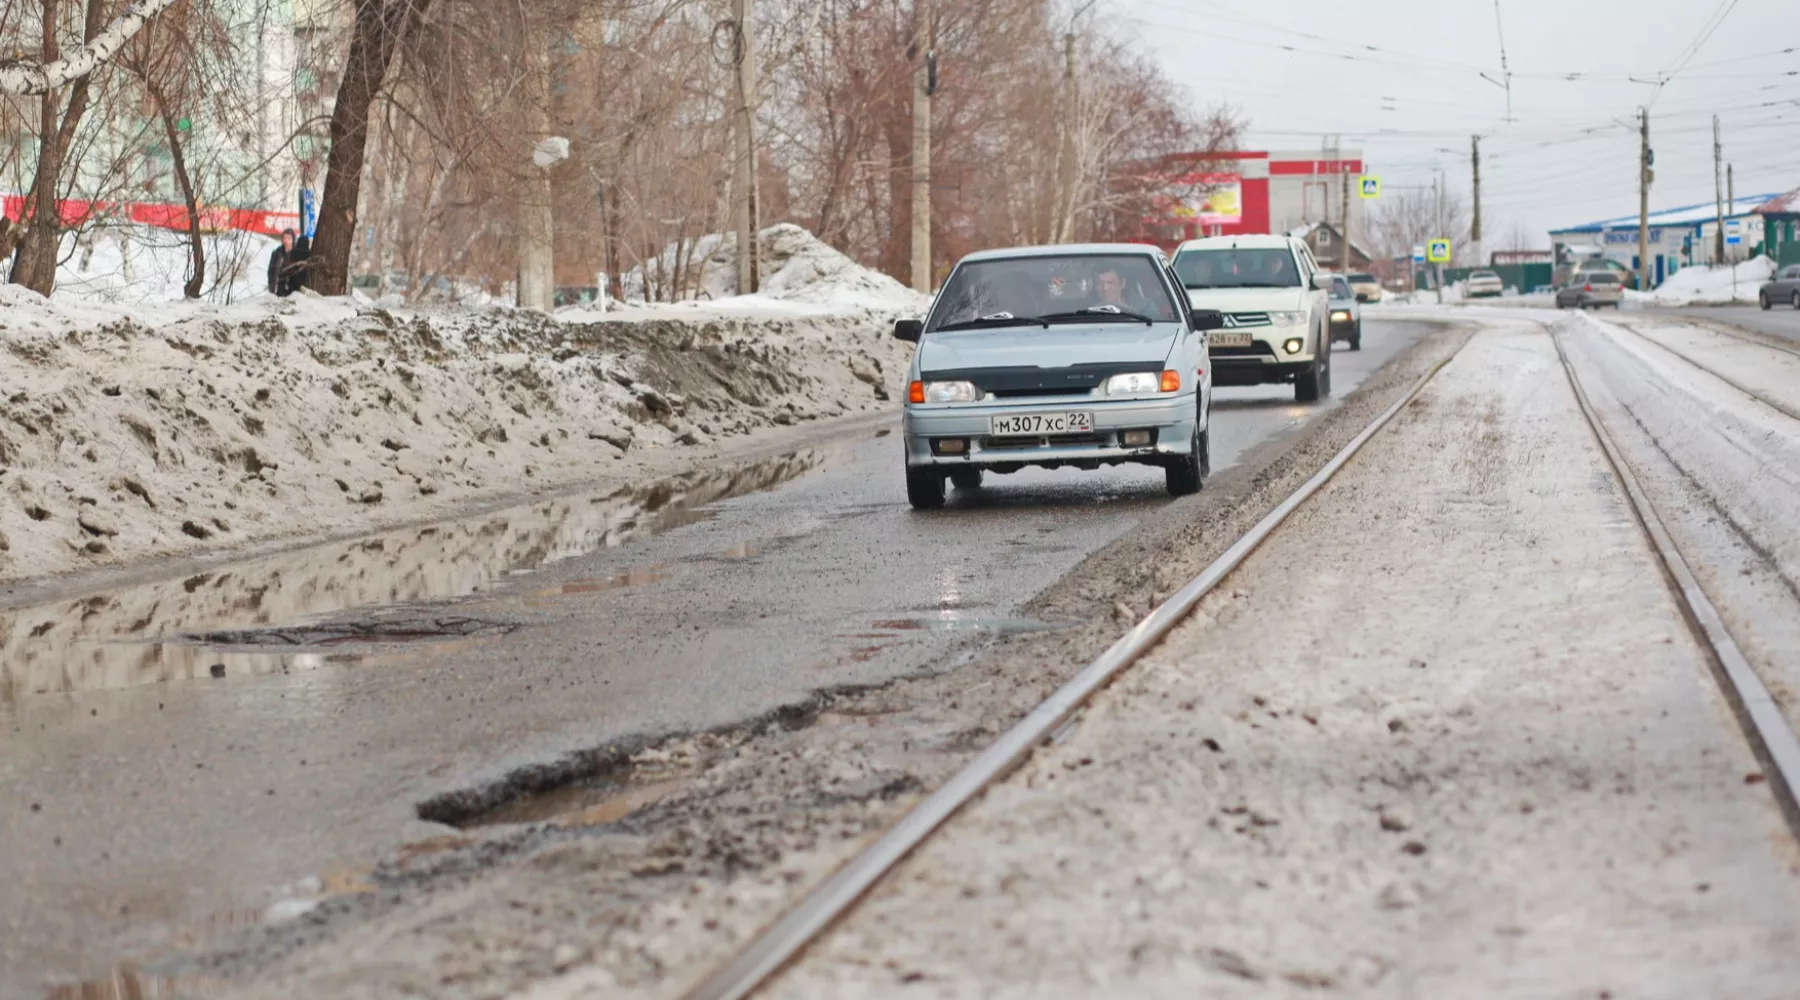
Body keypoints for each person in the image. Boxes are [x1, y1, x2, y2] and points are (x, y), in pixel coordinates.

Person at [268, 229, 295, 295]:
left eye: (289, 238)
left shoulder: (296, 253)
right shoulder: (277, 253)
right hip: (277, 288)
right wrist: (272, 287)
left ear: (293, 240)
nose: (286, 240)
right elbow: (271, 271)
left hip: (292, 290)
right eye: (284, 238)